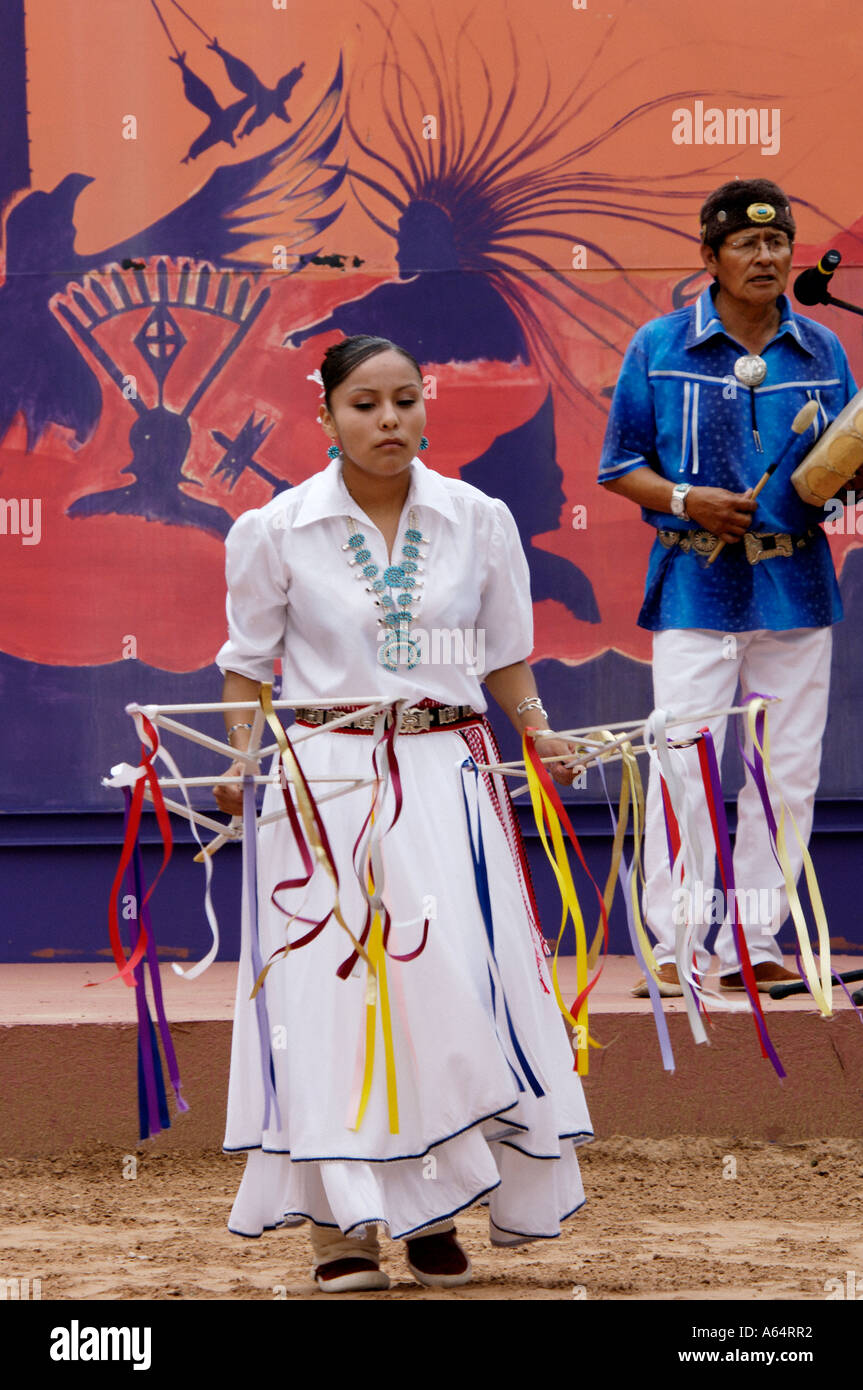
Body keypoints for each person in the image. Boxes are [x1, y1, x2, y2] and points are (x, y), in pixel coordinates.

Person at [212, 334, 592, 1293]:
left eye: (407, 401)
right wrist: (239, 758)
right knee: (330, 1001)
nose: (390, 421)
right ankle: (341, 1235)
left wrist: (537, 729)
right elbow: (247, 666)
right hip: (324, 785)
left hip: (446, 777)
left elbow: (505, 652)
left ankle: (430, 1213)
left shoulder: (477, 518)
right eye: (366, 405)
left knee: (454, 991)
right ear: (325, 417)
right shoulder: (275, 528)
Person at [597, 179, 857, 999]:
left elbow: (842, 469)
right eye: (745, 244)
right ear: (708, 257)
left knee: (784, 771)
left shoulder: (823, 350)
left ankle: (754, 937)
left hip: (796, 583)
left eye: (776, 241)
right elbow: (619, 467)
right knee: (685, 761)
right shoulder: (659, 345)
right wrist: (685, 500)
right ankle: (675, 944)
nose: (766, 256)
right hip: (694, 583)